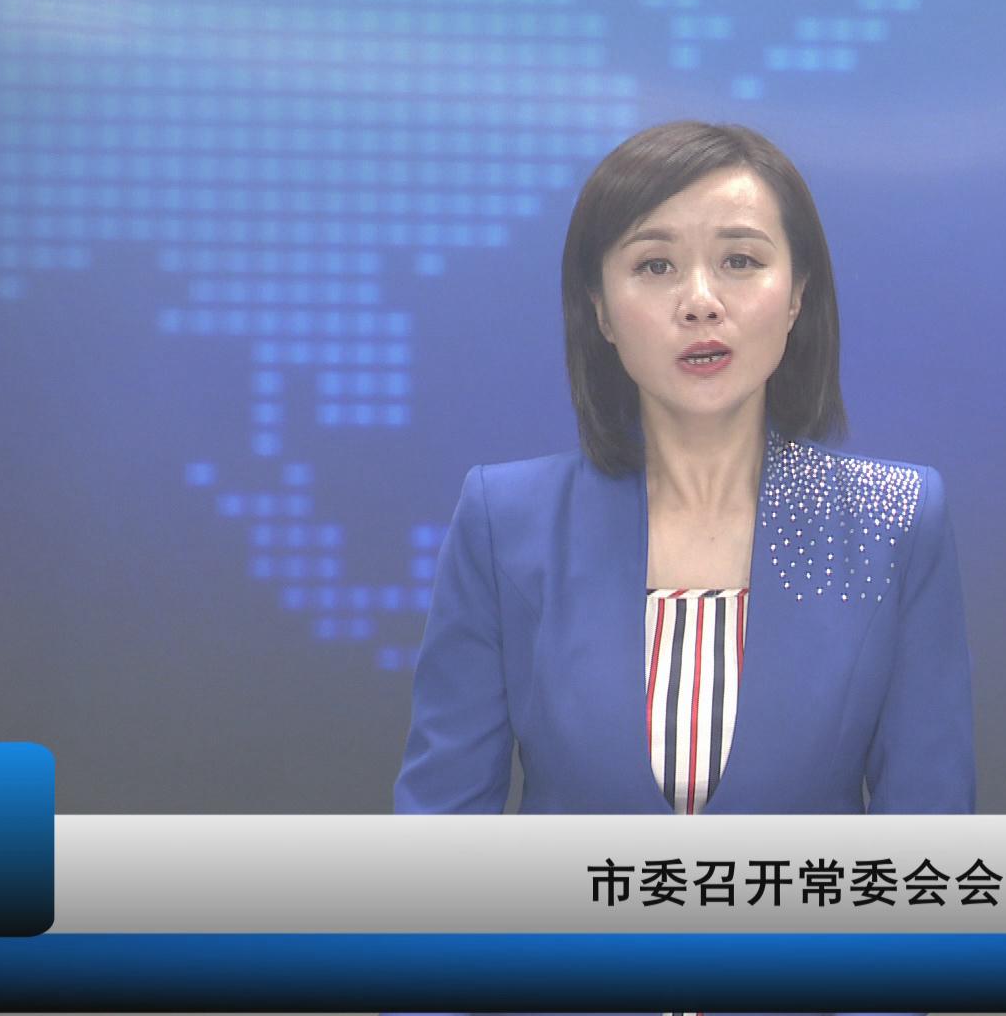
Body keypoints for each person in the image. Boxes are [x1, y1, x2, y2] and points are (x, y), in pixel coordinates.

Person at [395, 119, 973, 823]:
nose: (701, 301)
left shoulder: (895, 517)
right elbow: (441, 838)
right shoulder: (505, 521)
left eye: (740, 260)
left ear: (797, 294)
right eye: (656, 266)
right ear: (600, 309)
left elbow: (927, 833)